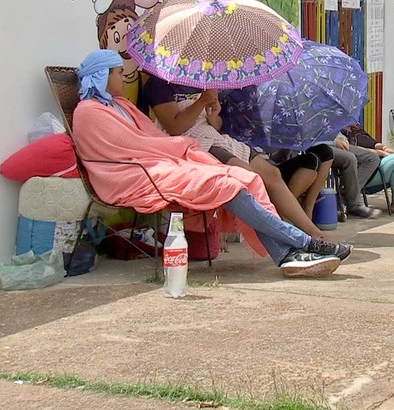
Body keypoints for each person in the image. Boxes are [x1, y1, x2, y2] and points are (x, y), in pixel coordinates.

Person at [72, 50, 351, 278]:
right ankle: (303, 243)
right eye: (118, 73)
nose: (123, 77)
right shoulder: (88, 112)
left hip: (162, 161)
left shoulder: (122, 106)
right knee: (227, 181)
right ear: (101, 76)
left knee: (239, 179)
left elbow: (150, 137)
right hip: (136, 173)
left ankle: (290, 254)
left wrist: (211, 111)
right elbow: (138, 144)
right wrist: (180, 146)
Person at [143, 74, 331, 238]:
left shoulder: (200, 80)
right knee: (249, 177)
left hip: (214, 137)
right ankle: (286, 234)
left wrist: (213, 114)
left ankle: (312, 231)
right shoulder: (160, 84)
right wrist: (201, 101)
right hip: (191, 144)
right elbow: (175, 128)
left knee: (273, 174)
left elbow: (215, 124)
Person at [342, 124, 394, 216]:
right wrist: (381, 153)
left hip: (380, 162)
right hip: (366, 172)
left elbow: (373, 143)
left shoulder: (356, 129)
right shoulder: (340, 134)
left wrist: (384, 148)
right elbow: (354, 151)